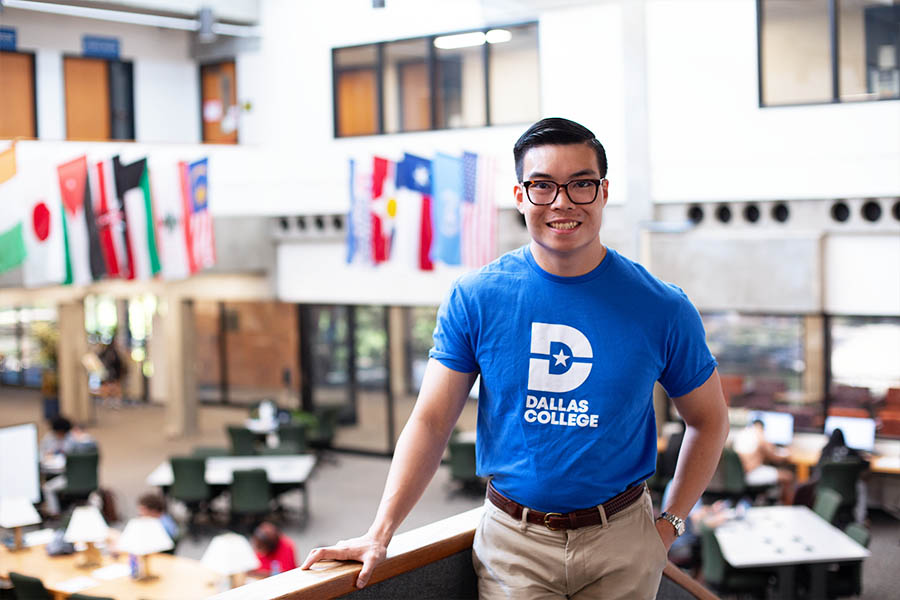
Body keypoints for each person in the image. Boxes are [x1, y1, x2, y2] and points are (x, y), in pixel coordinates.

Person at [301, 117, 729, 599]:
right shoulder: (477, 297)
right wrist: (379, 532)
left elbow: (709, 421)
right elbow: (431, 421)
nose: (562, 202)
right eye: (542, 186)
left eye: (581, 185)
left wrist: (669, 524)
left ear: (604, 192)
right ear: (521, 195)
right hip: (513, 544)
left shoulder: (662, 307)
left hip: (624, 543)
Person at [41, 417, 98, 517]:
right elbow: (42, 454)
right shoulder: (48, 439)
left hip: (69, 476)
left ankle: (54, 512)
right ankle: (57, 512)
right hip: (61, 471)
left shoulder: (72, 439)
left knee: (47, 488)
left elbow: (90, 444)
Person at [733, 418, 794, 503]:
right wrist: (787, 455)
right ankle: (787, 508)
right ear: (761, 427)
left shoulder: (741, 433)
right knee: (788, 476)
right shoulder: (759, 435)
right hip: (751, 474)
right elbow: (775, 457)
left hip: (736, 476)